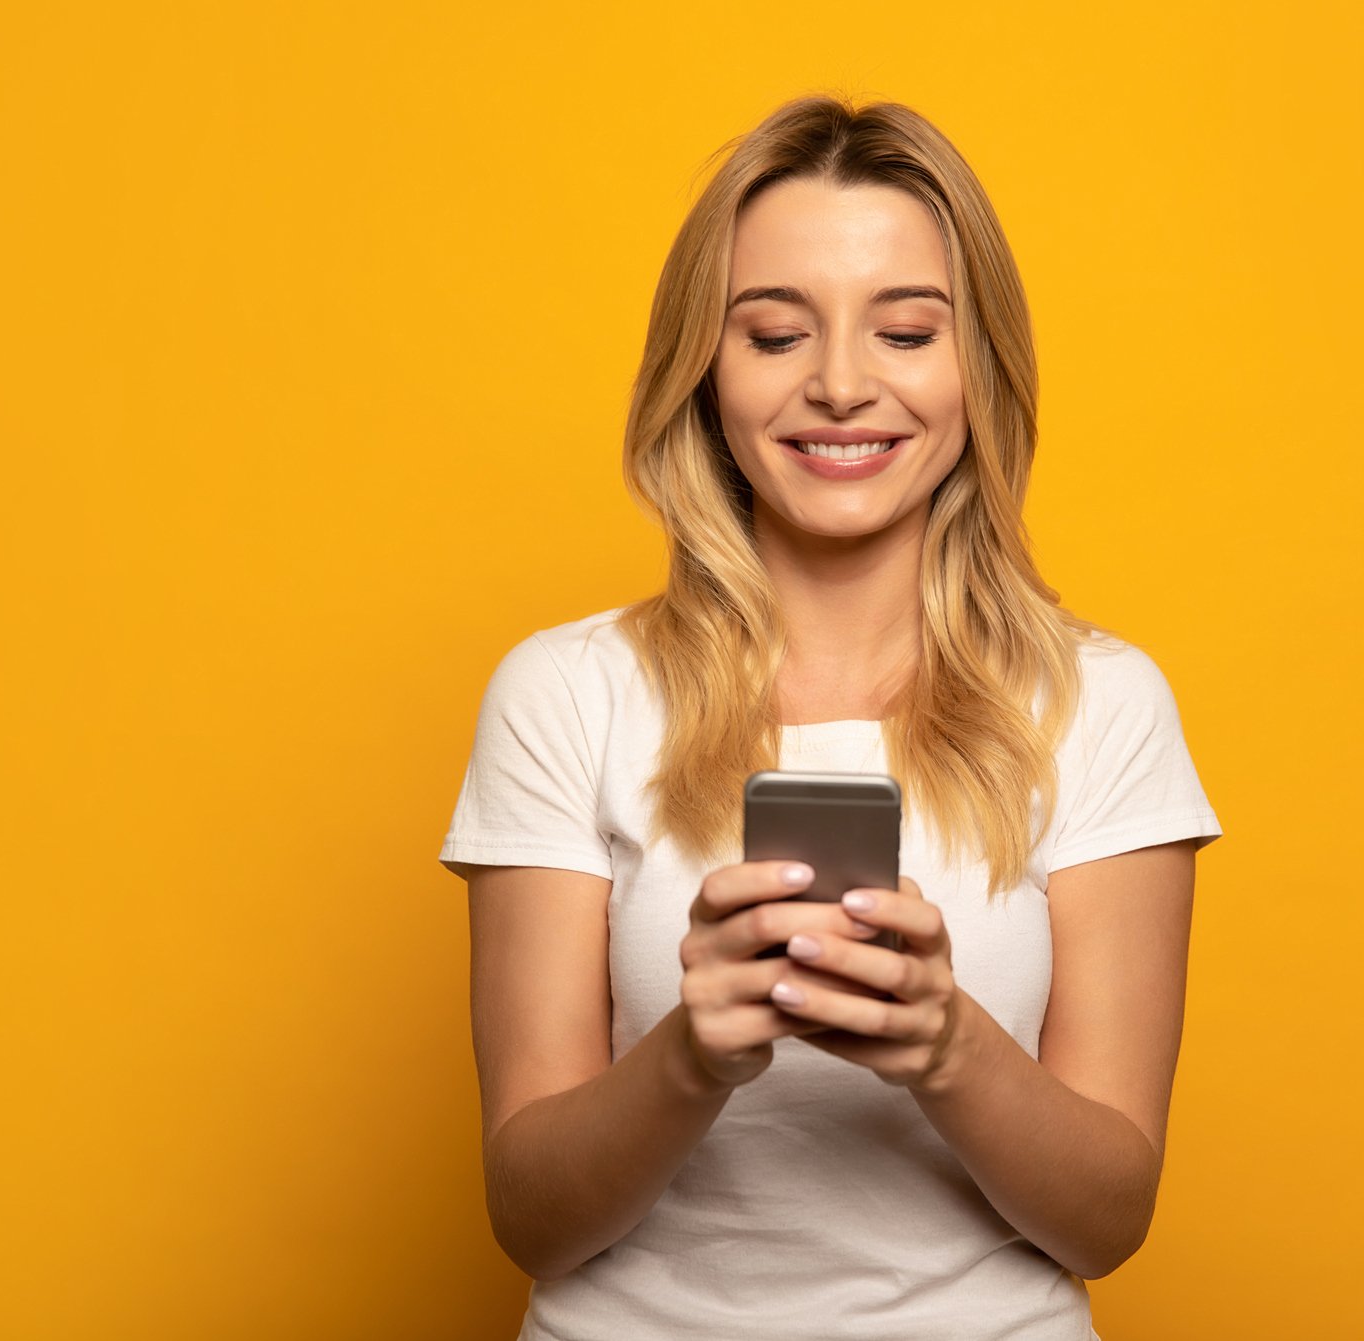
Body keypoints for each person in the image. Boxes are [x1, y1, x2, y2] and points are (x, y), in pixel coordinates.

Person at [438, 93, 1221, 1341]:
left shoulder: (1098, 703)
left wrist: (947, 1047)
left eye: (905, 332)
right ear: (705, 372)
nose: (842, 386)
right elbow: (530, 1218)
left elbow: (1107, 1219)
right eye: (773, 334)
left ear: (976, 369)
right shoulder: (564, 693)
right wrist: (689, 1057)